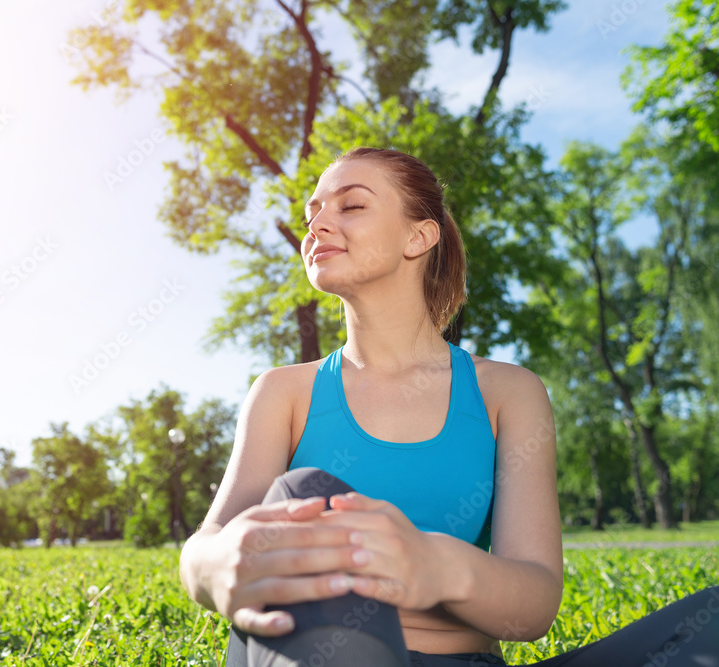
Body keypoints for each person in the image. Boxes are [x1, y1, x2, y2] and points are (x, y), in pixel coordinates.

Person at [178, 147, 719, 666]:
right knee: (307, 496)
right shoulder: (283, 392)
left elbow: (532, 605)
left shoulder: (507, 392)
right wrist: (216, 564)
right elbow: (204, 548)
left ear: (419, 236)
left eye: (352, 205)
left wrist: (432, 563)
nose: (316, 223)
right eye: (312, 211)